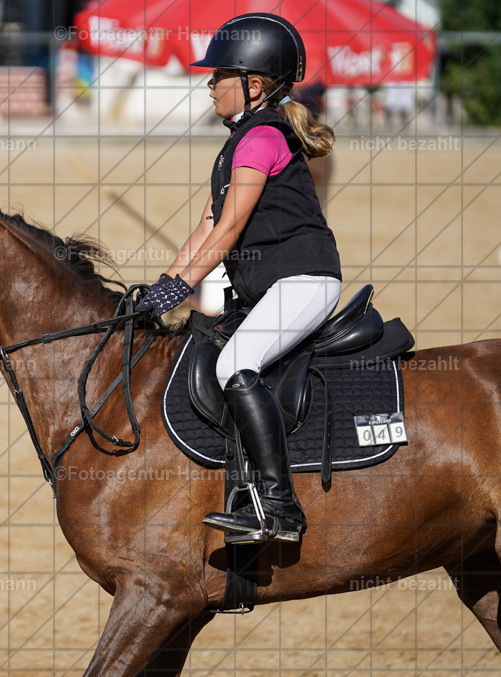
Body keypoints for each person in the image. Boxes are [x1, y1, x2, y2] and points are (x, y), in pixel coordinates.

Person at [136, 13, 342, 543]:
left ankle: (280, 507)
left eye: (219, 75)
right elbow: (204, 228)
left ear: (253, 86)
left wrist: (181, 288)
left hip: (304, 282)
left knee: (234, 363)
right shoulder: (236, 142)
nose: (209, 84)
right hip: (273, 287)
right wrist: (159, 288)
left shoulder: (262, 137)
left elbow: (228, 230)